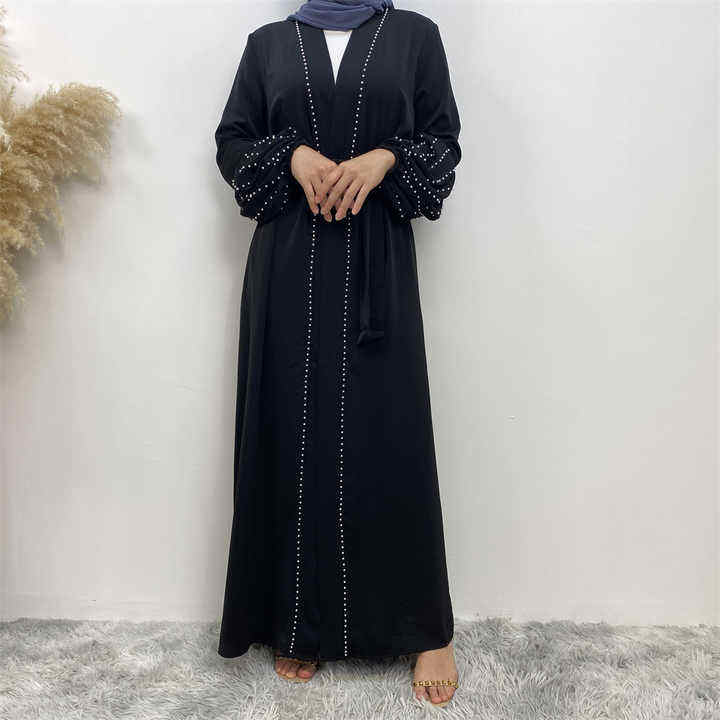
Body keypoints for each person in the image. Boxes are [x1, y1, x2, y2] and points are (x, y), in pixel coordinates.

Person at [214, 0, 462, 708]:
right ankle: (299, 618)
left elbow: (443, 141)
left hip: (376, 262)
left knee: (392, 437)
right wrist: (291, 155)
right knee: (291, 434)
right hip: (287, 262)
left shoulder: (414, 36)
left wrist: (385, 158)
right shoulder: (268, 44)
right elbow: (232, 141)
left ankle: (427, 628)